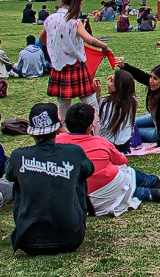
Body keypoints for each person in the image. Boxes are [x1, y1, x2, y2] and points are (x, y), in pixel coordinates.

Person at [7, 103, 95, 256]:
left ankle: (29, 224)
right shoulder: (74, 152)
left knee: (18, 179)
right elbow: (89, 170)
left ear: (32, 133)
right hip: (72, 238)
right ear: (57, 129)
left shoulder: (18, 156)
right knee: (78, 173)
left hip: (29, 241)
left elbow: (9, 175)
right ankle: (67, 221)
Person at [58, 104, 160, 215]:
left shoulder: (57, 141)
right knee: (125, 174)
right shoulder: (100, 142)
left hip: (74, 198)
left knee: (120, 188)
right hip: (103, 191)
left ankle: (151, 193)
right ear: (89, 126)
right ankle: (151, 183)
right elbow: (123, 162)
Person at [42, 0, 111, 120]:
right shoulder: (74, 22)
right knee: (91, 104)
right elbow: (89, 39)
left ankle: (62, 136)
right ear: (78, 2)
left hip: (58, 67)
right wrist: (104, 46)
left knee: (62, 107)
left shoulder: (50, 19)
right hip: (76, 66)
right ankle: (96, 134)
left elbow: (42, 40)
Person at [122, 62, 160, 146]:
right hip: (157, 119)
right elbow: (140, 75)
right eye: (151, 77)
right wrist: (125, 66)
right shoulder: (158, 85)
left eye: (155, 78)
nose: (151, 81)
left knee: (130, 132)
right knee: (131, 123)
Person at [97, 68, 139, 152]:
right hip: (124, 145)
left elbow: (98, 124)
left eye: (111, 81)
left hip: (107, 145)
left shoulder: (104, 102)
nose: (108, 83)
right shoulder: (132, 101)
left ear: (118, 85)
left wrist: (97, 95)